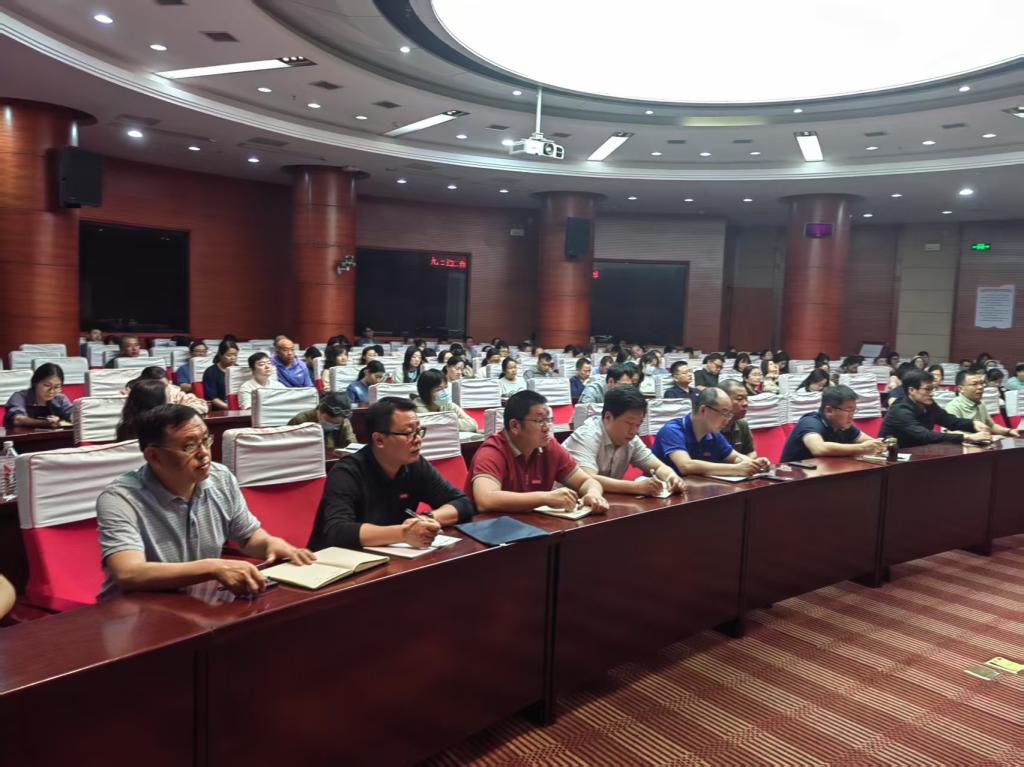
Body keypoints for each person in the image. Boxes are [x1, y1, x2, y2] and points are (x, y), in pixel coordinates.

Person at [96, 405, 315, 599]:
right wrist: (212, 567)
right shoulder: (121, 498)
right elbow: (128, 572)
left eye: (206, 440)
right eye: (189, 446)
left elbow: (247, 537)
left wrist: (270, 544)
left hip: (195, 602)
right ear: (154, 456)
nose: (204, 453)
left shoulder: (221, 478)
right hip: (134, 611)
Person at [308, 398, 474, 550]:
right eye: (408, 433)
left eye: (418, 431)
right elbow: (338, 531)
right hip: (338, 564)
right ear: (379, 440)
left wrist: (428, 518)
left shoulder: (415, 465)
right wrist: (403, 533)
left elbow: (462, 502)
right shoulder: (346, 472)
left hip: (391, 556)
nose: (418, 439)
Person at [467, 390, 609, 513]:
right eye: (540, 421)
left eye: (548, 420)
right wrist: (546, 498)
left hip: (534, 526)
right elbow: (485, 500)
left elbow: (586, 481)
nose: (547, 428)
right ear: (515, 426)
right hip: (492, 530)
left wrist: (593, 493)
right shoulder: (492, 452)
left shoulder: (549, 446)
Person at [562, 386, 685, 497]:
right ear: (608, 417)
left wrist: (671, 477)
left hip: (606, 501)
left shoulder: (632, 439)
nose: (634, 431)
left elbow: (657, 466)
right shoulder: (587, 436)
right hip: (568, 504)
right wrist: (635, 487)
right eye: (629, 423)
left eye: (638, 424)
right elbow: (588, 479)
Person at [652, 387, 770, 477]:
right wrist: (737, 469)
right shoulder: (672, 430)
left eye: (729, 414)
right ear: (703, 410)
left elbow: (735, 457)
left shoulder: (713, 434)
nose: (727, 419)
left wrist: (755, 464)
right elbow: (685, 466)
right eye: (724, 413)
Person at [880, 370, 991, 447]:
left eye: (933, 389)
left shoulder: (929, 405)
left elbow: (951, 421)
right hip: (893, 457)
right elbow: (925, 435)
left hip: (918, 453)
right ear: (912, 390)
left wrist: (973, 424)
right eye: (927, 389)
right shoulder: (900, 410)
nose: (932, 393)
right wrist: (967, 437)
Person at [780, 385, 886, 462]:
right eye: (849, 410)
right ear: (829, 410)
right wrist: (862, 448)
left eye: (854, 410)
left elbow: (870, 442)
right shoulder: (810, 422)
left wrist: (877, 445)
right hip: (793, 479)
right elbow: (819, 448)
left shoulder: (844, 425)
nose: (852, 415)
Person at [944, 370, 1020, 438]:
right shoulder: (953, 407)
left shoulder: (981, 403)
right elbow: (949, 433)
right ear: (961, 389)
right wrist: (974, 437)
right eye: (974, 384)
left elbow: (991, 426)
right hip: (963, 446)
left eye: (981, 383)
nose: (980, 387)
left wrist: (1009, 431)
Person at [3, 362, 74, 429]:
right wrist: (46, 423)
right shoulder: (19, 397)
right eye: (47, 385)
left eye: (57, 387)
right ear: (35, 382)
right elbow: (18, 419)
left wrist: (70, 418)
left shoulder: (60, 399)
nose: (52, 391)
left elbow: (73, 415)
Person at [412, 369, 478, 432]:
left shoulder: (447, 404)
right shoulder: (417, 408)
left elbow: (472, 424)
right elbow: (434, 428)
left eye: (445, 388)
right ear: (426, 393)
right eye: (438, 390)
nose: (444, 392)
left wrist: (447, 423)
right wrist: (452, 422)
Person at [288, 392, 357, 449]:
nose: (332, 426)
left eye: (336, 424)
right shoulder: (301, 420)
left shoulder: (344, 421)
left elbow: (352, 443)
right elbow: (290, 446)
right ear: (319, 411)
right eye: (328, 421)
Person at [127, 366, 208, 414]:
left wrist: (173, 412)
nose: (164, 389)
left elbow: (201, 405)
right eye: (159, 387)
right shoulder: (135, 394)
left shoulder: (172, 391)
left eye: (165, 385)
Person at [718, 380, 758, 458]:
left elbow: (751, 452)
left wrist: (750, 462)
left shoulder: (742, 424)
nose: (745, 403)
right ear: (722, 401)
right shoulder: (710, 427)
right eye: (739, 399)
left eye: (746, 399)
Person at [202, 341, 238, 411]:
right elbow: (212, 398)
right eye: (229, 355)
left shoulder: (238, 369)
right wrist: (230, 408)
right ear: (220, 355)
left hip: (238, 407)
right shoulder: (211, 371)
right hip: (220, 409)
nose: (233, 358)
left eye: (235, 355)